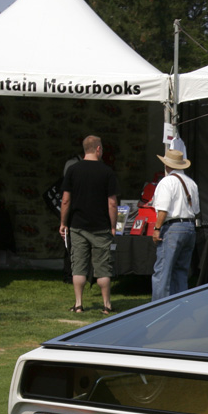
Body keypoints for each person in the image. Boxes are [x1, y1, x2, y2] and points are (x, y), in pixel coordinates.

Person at [60, 135, 118, 315]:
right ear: (98, 149)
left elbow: (65, 201)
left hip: (77, 226)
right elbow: (112, 203)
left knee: (78, 266)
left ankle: (78, 304)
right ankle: (106, 305)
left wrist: (63, 223)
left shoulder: (72, 170)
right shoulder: (107, 172)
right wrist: (114, 226)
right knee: (103, 268)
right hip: (101, 226)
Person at [151, 149, 200, 301]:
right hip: (190, 226)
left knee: (163, 271)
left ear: (167, 165)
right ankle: (180, 306)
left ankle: (158, 308)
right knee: (181, 270)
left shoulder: (167, 182)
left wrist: (157, 229)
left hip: (173, 228)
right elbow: (196, 210)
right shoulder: (191, 183)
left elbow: (163, 210)